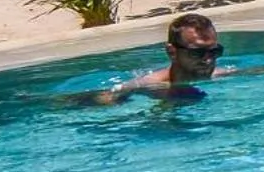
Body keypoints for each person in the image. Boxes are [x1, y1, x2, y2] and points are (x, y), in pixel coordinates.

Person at [91, 13, 229, 104]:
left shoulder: (222, 75)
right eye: (197, 53)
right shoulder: (146, 85)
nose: (208, 60)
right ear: (172, 52)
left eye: (214, 51)